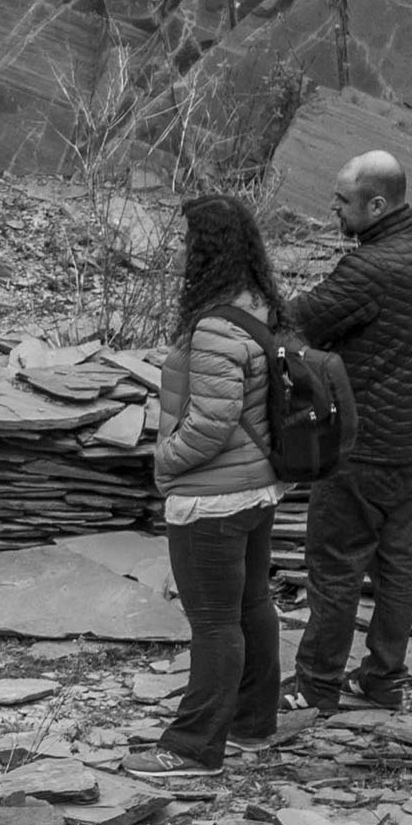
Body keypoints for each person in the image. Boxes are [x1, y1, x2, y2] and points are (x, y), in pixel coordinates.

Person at [285, 150, 412, 721]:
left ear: (378, 204)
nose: (331, 207)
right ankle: (384, 679)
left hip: (362, 447)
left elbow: (301, 320)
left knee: (335, 565)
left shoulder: (369, 269)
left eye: (342, 201)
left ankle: (315, 686)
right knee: (396, 561)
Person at [144, 196, 283, 776]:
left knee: (214, 621)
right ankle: (254, 725)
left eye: (186, 243)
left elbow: (211, 421)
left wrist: (166, 463)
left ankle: (194, 747)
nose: (179, 252)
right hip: (254, 490)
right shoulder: (259, 306)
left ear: (207, 250)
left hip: (213, 499)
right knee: (252, 605)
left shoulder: (214, 326)